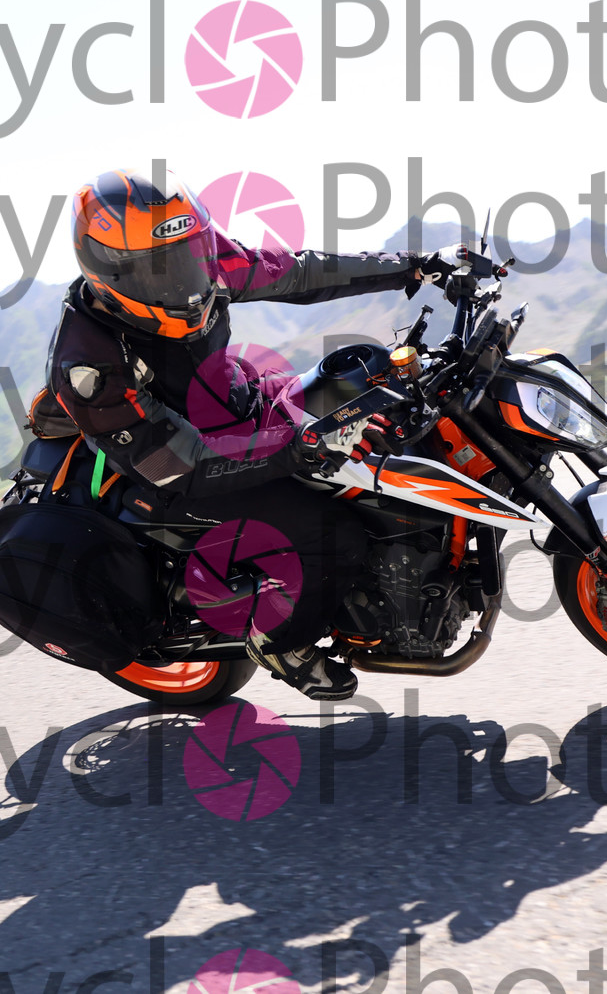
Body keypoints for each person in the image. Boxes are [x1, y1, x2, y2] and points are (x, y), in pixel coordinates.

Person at [45, 165, 453, 700]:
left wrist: (414, 267)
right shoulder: (89, 365)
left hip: (235, 409)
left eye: (186, 256)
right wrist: (292, 451)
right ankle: (284, 643)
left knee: (370, 384)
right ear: (111, 274)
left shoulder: (204, 264)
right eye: (156, 270)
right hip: (167, 472)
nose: (182, 281)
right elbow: (176, 465)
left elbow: (296, 273)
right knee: (329, 532)